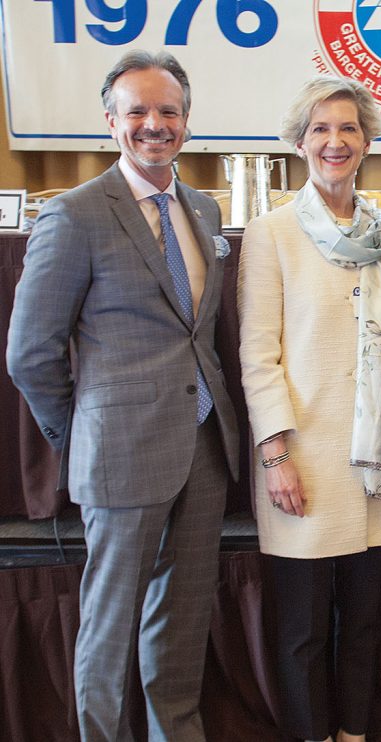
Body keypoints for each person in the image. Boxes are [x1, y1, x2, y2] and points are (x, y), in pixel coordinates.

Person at [6, 50, 239, 740]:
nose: (153, 124)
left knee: (183, 620)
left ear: (187, 124)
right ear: (111, 121)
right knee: (109, 627)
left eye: (167, 111)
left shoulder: (202, 207)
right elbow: (29, 353)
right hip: (119, 452)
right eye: (137, 110)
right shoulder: (75, 215)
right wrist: (80, 436)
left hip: (203, 443)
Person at [237, 76, 381, 742]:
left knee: (366, 624)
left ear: (366, 140)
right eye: (320, 129)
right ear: (299, 142)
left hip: (379, 466)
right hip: (301, 460)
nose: (334, 141)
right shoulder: (272, 233)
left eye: (347, 128)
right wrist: (275, 454)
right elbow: (258, 356)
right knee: (305, 631)